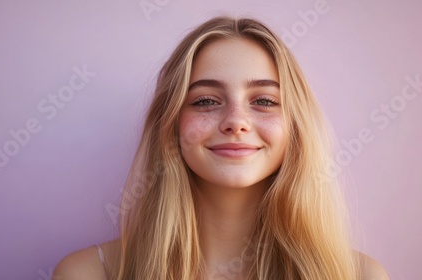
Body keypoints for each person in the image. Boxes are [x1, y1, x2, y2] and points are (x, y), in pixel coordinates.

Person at [53, 16, 389, 279]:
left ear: (295, 128)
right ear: (171, 124)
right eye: (206, 101)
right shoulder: (89, 273)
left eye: (264, 100)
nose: (235, 121)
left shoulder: (359, 275)